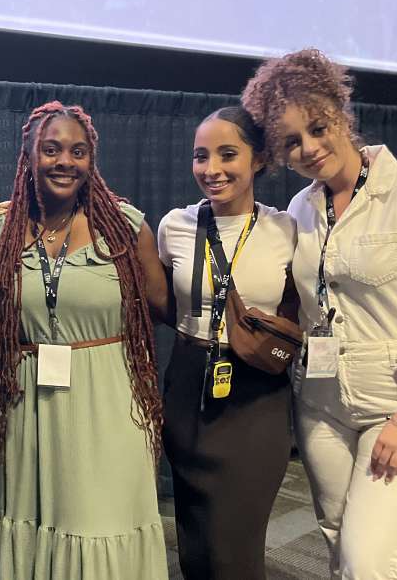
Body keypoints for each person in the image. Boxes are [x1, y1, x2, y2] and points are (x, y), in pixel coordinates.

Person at [242, 49, 397, 578]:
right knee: (339, 547)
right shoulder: (301, 210)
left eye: (318, 127)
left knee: (369, 560)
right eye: (291, 143)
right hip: (321, 403)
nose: (310, 148)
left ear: (341, 112)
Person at [0, 101, 169, 579]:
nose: (65, 161)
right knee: (37, 515)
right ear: (29, 156)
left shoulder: (125, 228)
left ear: (91, 161)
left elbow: (163, 308)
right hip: (29, 401)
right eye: (51, 149)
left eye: (77, 151)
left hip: (108, 397)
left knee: (100, 519)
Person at [157, 106, 298, 579]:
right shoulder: (174, 225)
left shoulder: (286, 230)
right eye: (201, 156)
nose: (211, 169)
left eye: (227, 154)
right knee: (193, 541)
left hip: (255, 399)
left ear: (257, 159)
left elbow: (298, 313)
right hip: (187, 389)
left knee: (234, 550)